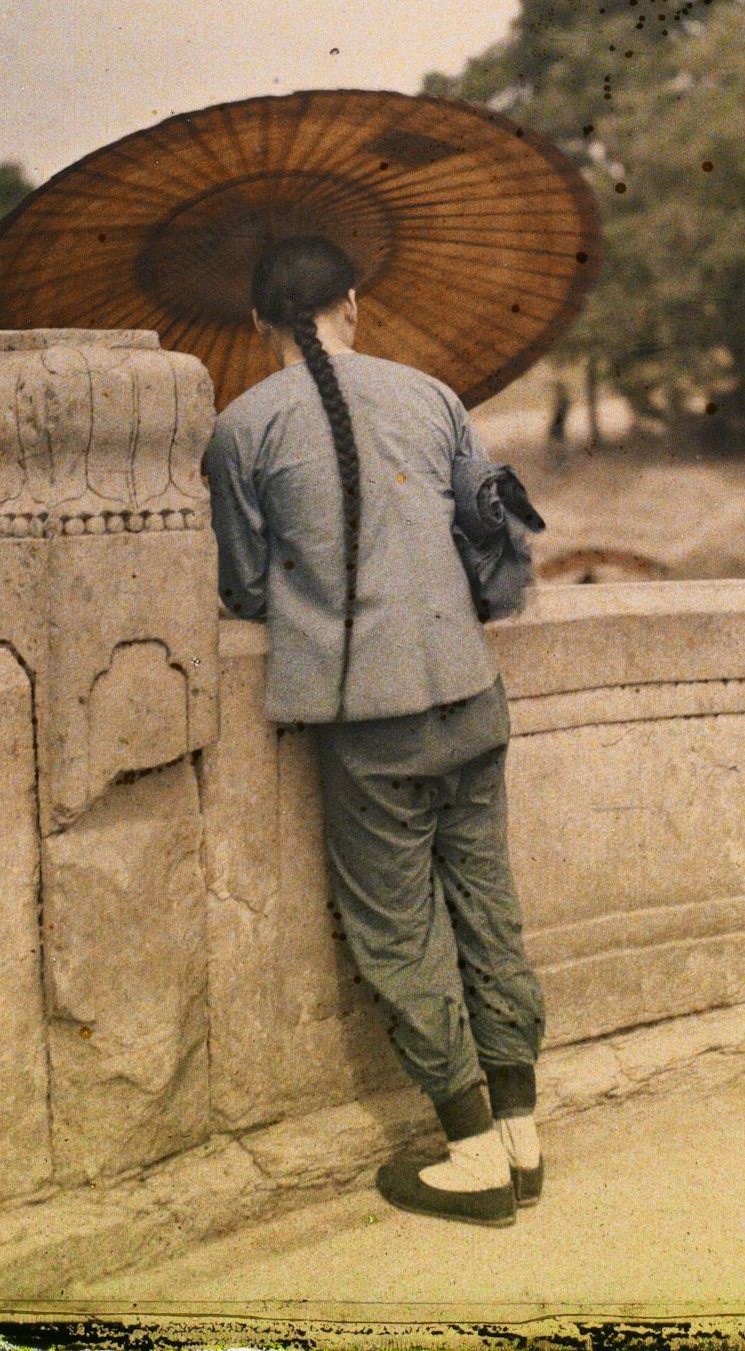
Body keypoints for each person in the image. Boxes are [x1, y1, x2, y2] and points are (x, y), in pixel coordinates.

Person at [202, 235, 546, 1230]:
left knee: (399, 930)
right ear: (354, 299)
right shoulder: (430, 394)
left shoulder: (241, 427)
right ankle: (524, 1135)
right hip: (470, 696)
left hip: (368, 719)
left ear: (259, 323)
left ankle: (472, 1154)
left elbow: (243, 583)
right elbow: (488, 526)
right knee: (487, 902)